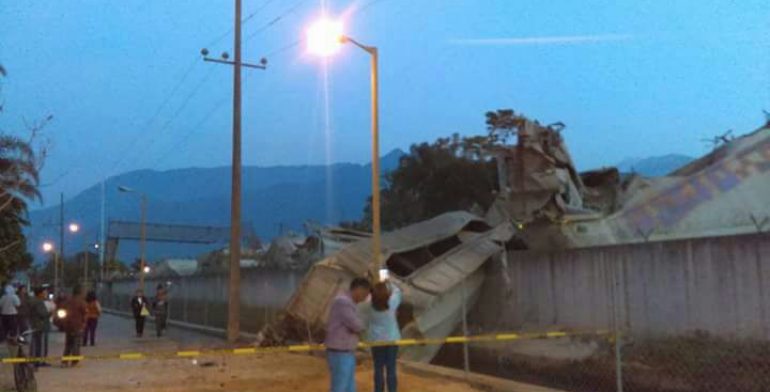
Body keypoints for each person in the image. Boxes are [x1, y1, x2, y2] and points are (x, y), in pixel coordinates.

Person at [325, 277, 371, 392]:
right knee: (340, 387)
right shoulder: (343, 302)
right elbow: (356, 325)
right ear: (359, 289)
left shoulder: (348, 302)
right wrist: (364, 327)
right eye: (365, 294)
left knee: (349, 387)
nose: (365, 298)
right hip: (340, 352)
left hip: (347, 351)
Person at [363, 280, 402, 392]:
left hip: (376, 341)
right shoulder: (392, 304)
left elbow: (369, 297)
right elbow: (398, 291)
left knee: (378, 368)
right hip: (391, 340)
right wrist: (389, 283)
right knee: (391, 369)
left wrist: (373, 288)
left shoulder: (369, 306)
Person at [62, 285, 87, 367]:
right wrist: (84, 323)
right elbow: (85, 313)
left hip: (68, 326)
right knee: (76, 344)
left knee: (68, 344)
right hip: (77, 325)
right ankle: (74, 361)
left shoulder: (68, 301)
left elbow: (63, 311)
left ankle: (65, 361)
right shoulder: (81, 302)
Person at [29, 286, 52, 367]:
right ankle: (39, 361)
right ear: (40, 293)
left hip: (34, 324)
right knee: (40, 344)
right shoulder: (39, 302)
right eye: (44, 292)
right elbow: (43, 314)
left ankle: (34, 359)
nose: (45, 294)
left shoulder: (33, 300)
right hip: (40, 325)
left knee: (35, 343)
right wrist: (50, 312)